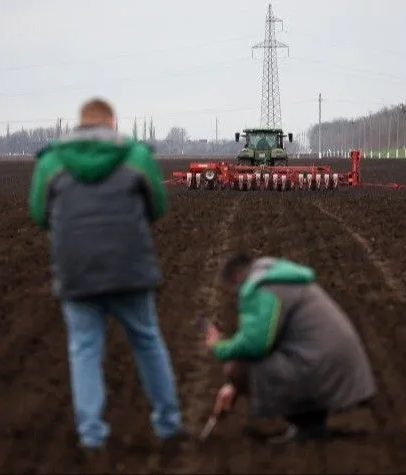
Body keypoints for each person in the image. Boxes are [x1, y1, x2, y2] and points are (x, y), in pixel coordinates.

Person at [28, 98, 183, 451]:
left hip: (76, 271)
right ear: (112, 123)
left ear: (79, 124)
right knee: (147, 341)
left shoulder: (51, 161)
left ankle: (92, 435)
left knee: (84, 349)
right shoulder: (136, 156)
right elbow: (158, 206)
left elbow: (39, 214)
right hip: (130, 268)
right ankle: (168, 424)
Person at [205, 253, 377, 443]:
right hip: (341, 364)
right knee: (260, 362)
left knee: (237, 368)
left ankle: (306, 425)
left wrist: (219, 347)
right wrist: (233, 388)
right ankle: (312, 425)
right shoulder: (281, 279)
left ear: (236, 276)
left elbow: (255, 345)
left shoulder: (261, 287)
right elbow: (273, 338)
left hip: (320, 366)